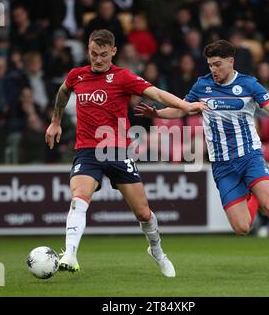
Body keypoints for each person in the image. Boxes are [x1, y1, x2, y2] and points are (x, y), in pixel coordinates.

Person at [135, 39, 269, 278]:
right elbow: (182, 108)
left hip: (250, 156)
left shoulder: (249, 84)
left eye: (217, 64)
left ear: (231, 61)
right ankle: (253, 195)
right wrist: (157, 113)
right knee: (242, 228)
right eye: (210, 65)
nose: (213, 70)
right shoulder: (202, 85)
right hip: (222, 165)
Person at [44, 29, 207, 277]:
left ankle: (157, 251)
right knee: (79, 199)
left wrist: (186, 106)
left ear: (113, 52)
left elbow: (158, 94)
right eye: (93, 54)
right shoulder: (77, 75)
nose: (97, 59)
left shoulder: (123, 77)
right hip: (87, 150)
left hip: (118, 151)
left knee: (143, 213)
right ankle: (70, 254)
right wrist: (55, 121)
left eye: (102, 55)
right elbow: (64, 91)